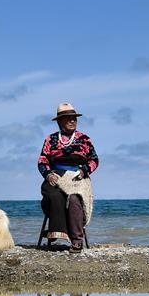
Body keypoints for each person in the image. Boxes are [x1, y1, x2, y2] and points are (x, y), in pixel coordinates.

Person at [38, 102, 99, 252]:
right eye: (68, 118)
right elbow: (42, 161)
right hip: (56, 176)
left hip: (77, 177)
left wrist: (85, 171)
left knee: (74, 198)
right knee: (54, 195)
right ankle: (57, 230)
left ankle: (77, 241)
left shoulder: (84, 139)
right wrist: (48, 174)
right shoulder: (50, 139)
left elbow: (94, 159)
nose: (72, 121)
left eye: (74, 118)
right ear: (59, 121)